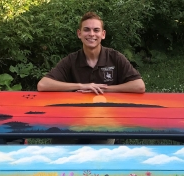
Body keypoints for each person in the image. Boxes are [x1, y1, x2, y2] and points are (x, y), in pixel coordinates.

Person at [37, 12, 145, 144]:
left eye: (96, 30)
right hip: (74, 119)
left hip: (106, 121)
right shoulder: (72, 60)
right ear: (79, 33)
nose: (91, 34)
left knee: (99, 157)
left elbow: (139, 86)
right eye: (86, 29)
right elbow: (43, 85)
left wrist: (103, 89)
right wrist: (82, 86)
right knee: (58, 150)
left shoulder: (115, 57)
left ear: (103, 34)